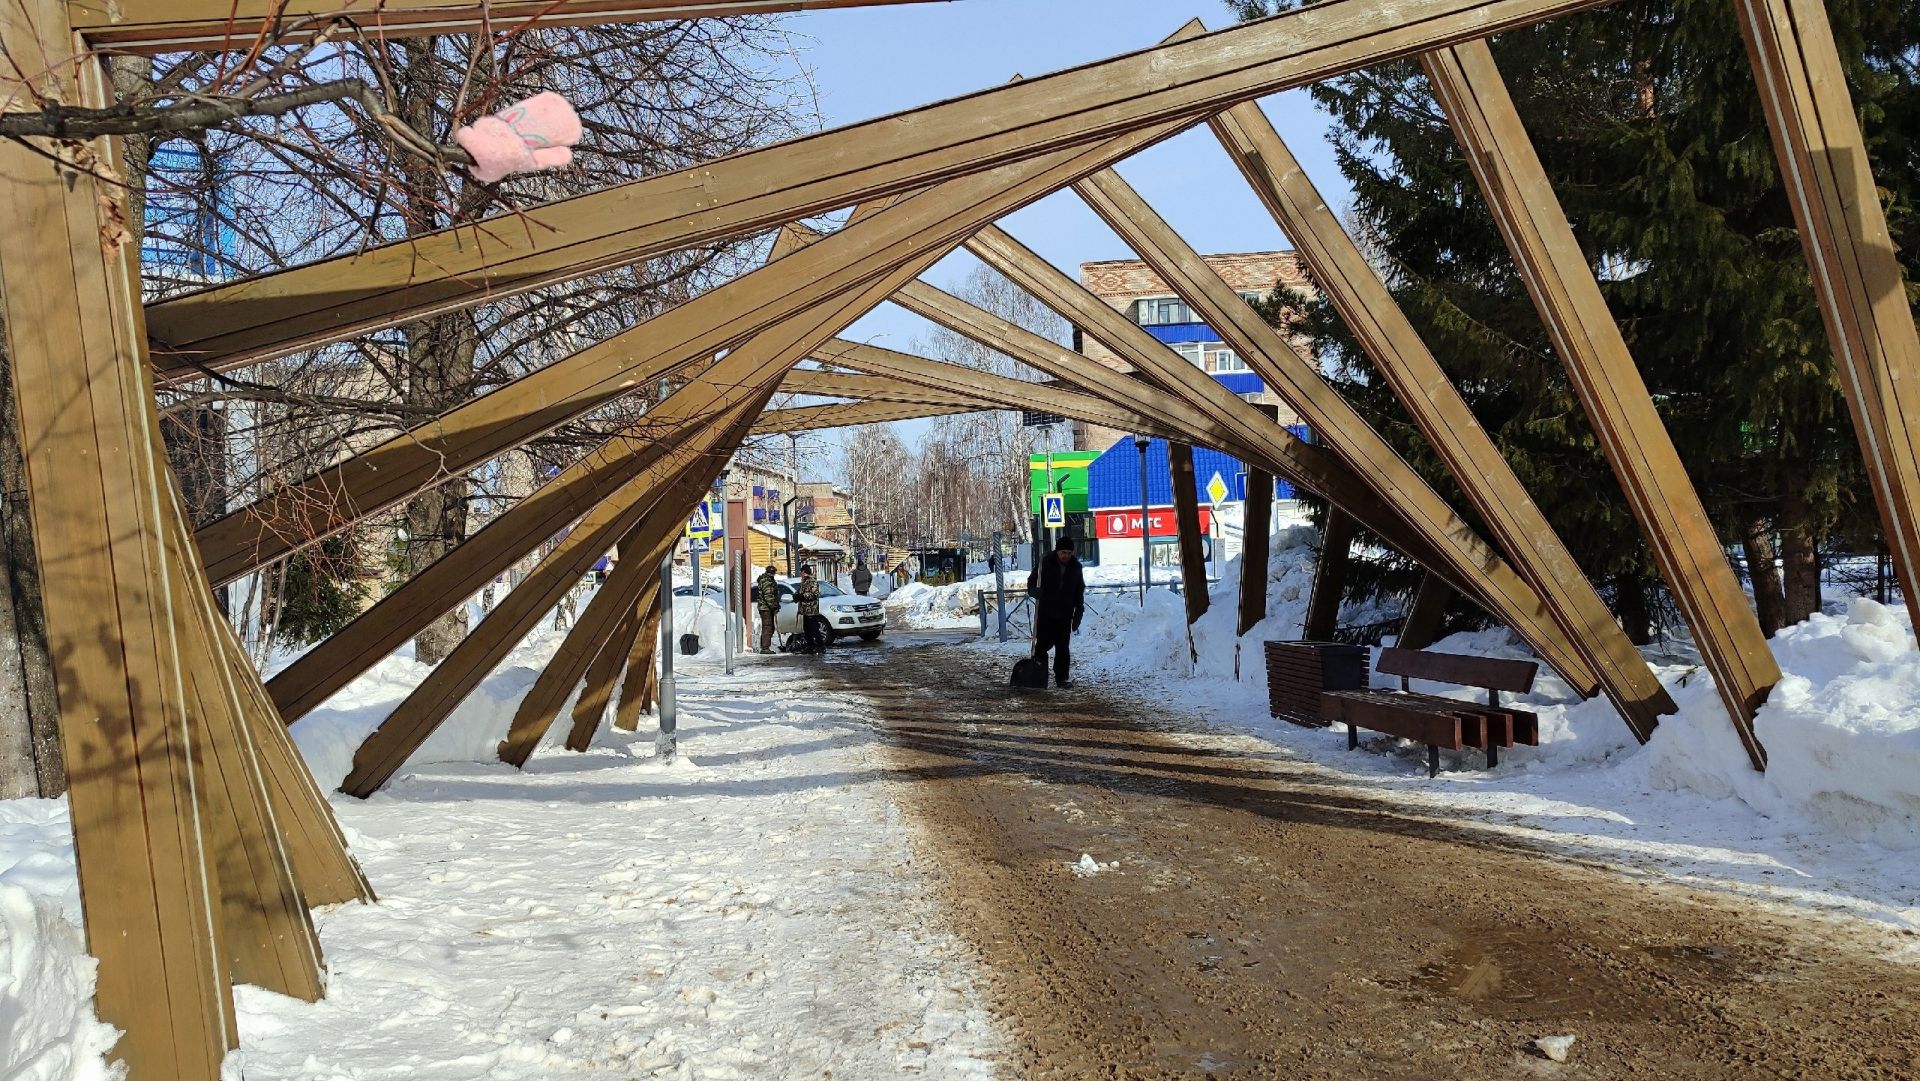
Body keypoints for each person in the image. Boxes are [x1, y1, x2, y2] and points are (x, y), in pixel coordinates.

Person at [1028, 537, 1086, 688]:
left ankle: (1062, 678)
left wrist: (1079, 611)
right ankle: (1039, 676)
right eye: (1062, 552)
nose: (1065, 555)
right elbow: (1032, 580)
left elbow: (1079, 590)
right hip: (1046, 613)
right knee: (1041, 647)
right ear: (1057, 551)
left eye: (1068, 553)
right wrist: (1034, 591)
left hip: (1064, 614)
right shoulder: (1045, 563)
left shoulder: (1076, 567)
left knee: (1062, 648)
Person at [795, 564, 826, 653]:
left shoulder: (812, 581)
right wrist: (797, 595)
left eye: (801, 572)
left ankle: (821, 646)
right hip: (805, 610)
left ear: (804, 572)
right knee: (807, 629)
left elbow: (814, 594)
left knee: (814, 629)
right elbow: (801, 592)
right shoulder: (804, 581)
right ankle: (810, 645)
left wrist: (802, 596)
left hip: (811, 610)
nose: (800, 573)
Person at [754, 565, 782, 653]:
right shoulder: (766, 581)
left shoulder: (768, 580)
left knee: (770, 627)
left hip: (766, 607)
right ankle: (765, 648)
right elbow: (768, 595)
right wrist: (774, 606)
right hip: (766, 608)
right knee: (767, 627)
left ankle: (765, 646)